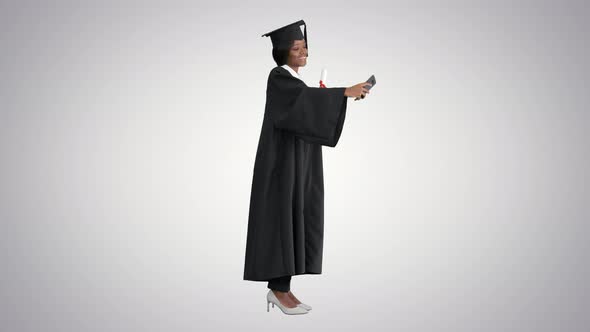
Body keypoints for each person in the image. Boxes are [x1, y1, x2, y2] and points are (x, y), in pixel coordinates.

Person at [243, 19, 372, 315]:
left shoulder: (294, 81)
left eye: (305, 47)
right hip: (280, 163)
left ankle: (284, 289)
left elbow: (304, 106)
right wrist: (340, 94)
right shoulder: (278, 76)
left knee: (295, 214)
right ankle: (277, 290)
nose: (303, 53)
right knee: (280, 217)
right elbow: (297, 104)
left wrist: (334, 97)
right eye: (296, 48)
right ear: (282, 52)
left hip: (296, 160)